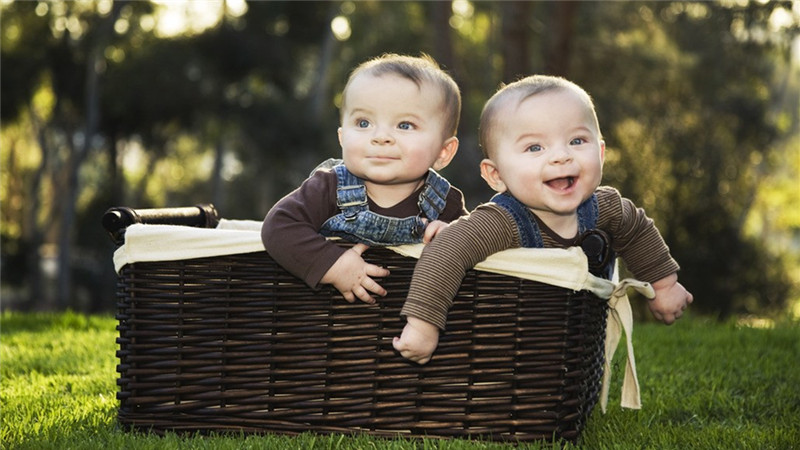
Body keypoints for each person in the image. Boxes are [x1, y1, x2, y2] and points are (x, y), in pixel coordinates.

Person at [393, 75, 694, 364]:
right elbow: (446, 249)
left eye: (577, 141)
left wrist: (664, 285)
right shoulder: (500, 221)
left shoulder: (606, 207)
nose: (561, 156)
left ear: (601, 153)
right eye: (535, 148)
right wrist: (423, 324)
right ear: (496, 175)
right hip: (506, 338)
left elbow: (637, 229)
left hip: (571, 344)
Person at [262, 53, 467, 304]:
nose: (380, 136)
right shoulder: (329, 187)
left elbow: (482, 251)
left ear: (443, 152)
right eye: (363, 122)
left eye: (404, 125)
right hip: (324, 319)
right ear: (341, 138)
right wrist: (333, 264)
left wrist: (455, 237)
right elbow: (279, 226)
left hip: (404, 323)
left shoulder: (446, 203)